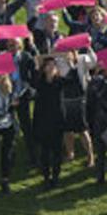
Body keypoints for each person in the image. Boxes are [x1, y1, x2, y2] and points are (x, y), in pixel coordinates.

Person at [32, 56, 67, 188]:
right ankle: (46, 177)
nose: (51, 67)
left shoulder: (60, 82)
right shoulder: (40, 82)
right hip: (43, 121)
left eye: (53, 65)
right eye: (49, 65)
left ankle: (56, 177)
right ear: (44, 68)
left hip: (57, 121)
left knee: (57, 152)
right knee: (45, 152)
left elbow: (73, 80)